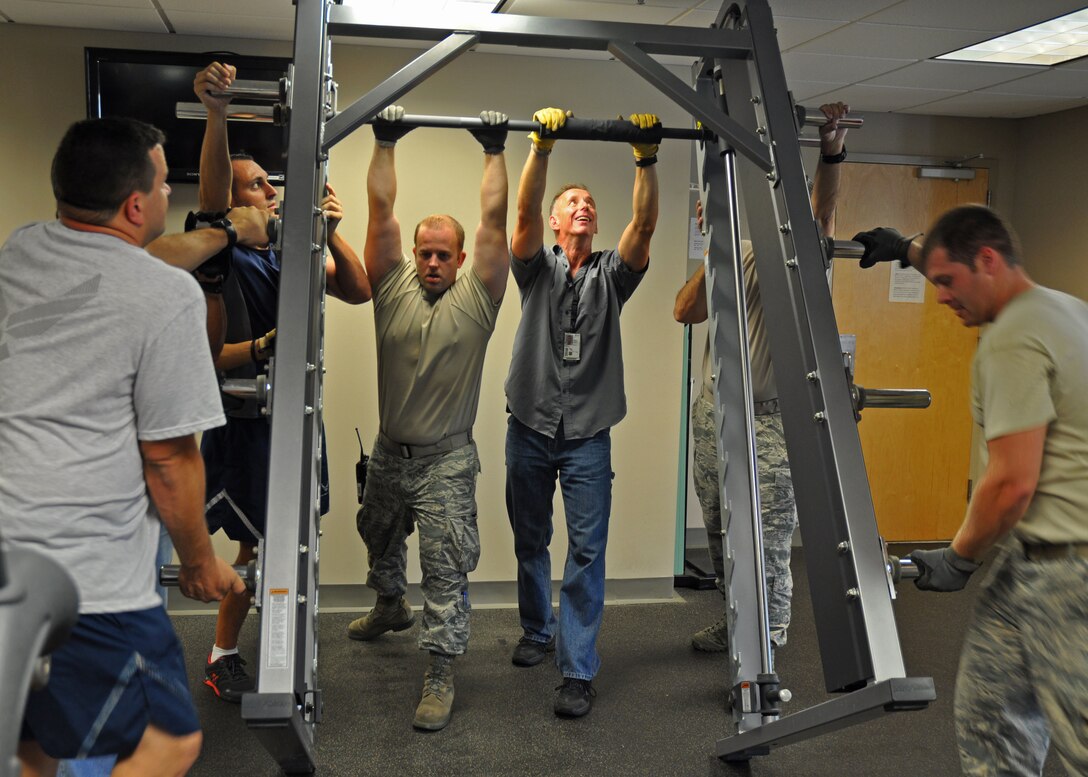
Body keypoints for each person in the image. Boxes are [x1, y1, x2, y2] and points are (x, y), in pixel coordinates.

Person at [0, 117, 244, 777]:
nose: (169, 195)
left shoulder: (17, 252)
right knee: (169, 739)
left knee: (31, 743)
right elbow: (168, 458)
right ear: (137, 205)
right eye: (165, 183)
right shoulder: (165, 295)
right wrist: (199, 561)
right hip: (84, 581)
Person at [857, 205, 1088, 777]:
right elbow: (958, 257)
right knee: (993, 716)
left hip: (1070, 573)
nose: (940, 297)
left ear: (987, 261)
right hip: (1028, 559)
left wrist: (960, 556)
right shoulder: (1065, 309)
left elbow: (1011, 483)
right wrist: (906, 249)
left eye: (946, 283)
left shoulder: (1013, 340)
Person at [192, 61, 372, 703]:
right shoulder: (222, 252)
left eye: (269, 182)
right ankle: (230, 655)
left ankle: (260, 655)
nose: (270, 191)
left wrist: (333, 229)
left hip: (296, 414)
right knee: (256, 544)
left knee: (284, 544)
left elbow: (358, 291)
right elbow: (217, 358)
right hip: (245, 418)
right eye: (257, 186)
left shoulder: (288, 250)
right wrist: (216, 113)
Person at [343, 105, 510, 732]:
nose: (433, 263)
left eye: (444, 254)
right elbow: (381, 211)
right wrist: (384, 139)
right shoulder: (391, 285)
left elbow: (494, 219)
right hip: (389, 454)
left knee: (445, 571)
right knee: (377, 538)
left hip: (446, 461)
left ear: (462, 259)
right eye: (425, 253)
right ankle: (389, 604)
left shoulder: (479, 296)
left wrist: (493, 148)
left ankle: (439, 673)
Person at [673, 103, 850, 653]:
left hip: (772, 424)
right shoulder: (739, 254)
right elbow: (685, 311)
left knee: (769, 542)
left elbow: (822, 211)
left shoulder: (806, 263)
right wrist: (712, 253)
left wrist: (831, 149)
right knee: (721, 530)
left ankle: (765, 649)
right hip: (714, 414)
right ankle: (734, 621)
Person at [504, 107, 659, 718]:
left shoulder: (611, 277)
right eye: (572, 202)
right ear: (554, 219)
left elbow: (644, 226)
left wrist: (645, 159)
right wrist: (540, 147)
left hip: (589, 433)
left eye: (591, 202)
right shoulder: (535, 268)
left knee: (587, 550)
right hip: (530, 423)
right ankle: (536, 630)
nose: (584, 207)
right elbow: (520, 216)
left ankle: (577, 670)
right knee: (531, 536)